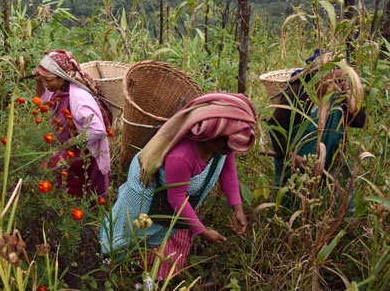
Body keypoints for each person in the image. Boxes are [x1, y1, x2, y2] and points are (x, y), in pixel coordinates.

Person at [100, 92, 256, 280]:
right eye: (226, 146)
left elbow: (227, 169)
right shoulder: (181, 156)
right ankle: (117, 268)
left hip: (176, 204)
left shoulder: (222, 146)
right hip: (148, 197)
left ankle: (158, 277)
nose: (228, 151)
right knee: (133, 233)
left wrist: (237, 207)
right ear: (212, 136)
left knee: (172, 236)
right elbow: (176, 199)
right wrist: (203, 231)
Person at [266, 50, 367, 187]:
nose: (336, 86)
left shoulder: (339, 96)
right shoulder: (297, 94)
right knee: (293, 197)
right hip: (296, 166)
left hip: (329, 162)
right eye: (333, 81)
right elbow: (274, 127)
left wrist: (348, 95)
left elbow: (359, 122)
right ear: (316, 75)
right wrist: (291, 156)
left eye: (341, 81)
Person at [33, 50, 113, 197]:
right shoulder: (57, 89)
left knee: (52, 172)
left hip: (83, 152)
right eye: (43, 79)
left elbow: (98, 130)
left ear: (63, 78)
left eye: (48, 80)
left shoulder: (78, 98)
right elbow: (42, 101)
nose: (46, 84)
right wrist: (40, 81)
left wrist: (72, 141)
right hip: (66, 147)